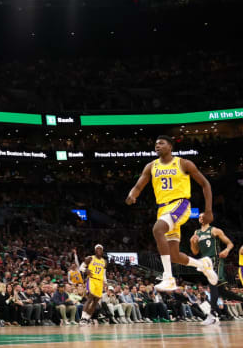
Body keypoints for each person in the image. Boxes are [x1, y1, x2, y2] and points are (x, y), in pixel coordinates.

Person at [126, 135, 218, 291]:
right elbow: (138, 186)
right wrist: (132, 195)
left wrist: (208, 210)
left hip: (180, 204)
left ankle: (168, 277)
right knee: (174, 255)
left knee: (157, 229)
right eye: (156, 143)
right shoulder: (151, 166)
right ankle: (202, 264)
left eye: (161, 143)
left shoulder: (183, 163)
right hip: (163, 209)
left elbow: (205, 184)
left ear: (170, 147)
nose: (157, 145)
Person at [191, 217, 238, 325]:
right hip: (205, 261)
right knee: (222, 291)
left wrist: (226, 250)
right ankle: (213, 314)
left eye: (203, 216)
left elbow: (230, 243)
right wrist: (193, 242)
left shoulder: (215, 230)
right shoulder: (196, 232)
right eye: (199, 217)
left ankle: (212, 315)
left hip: (216, 259)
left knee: (213, 285)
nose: (201, 218)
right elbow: (195, 251)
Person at [79, 245, 106, 326]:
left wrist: (105, 282)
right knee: (90, 298)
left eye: (100, 249)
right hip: (92, 280)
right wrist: (85, 270)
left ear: (102, 251)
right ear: (95, 250)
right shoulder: (90, 258)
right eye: (97, 249)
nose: (99, 250)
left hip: (100, 282)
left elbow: (103, 274)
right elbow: (81, 267)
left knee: (96, 301)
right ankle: (82, 319)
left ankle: (87, 318)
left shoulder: (104, 261)